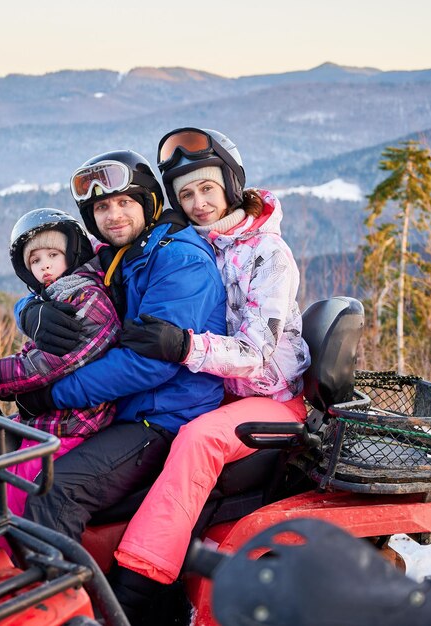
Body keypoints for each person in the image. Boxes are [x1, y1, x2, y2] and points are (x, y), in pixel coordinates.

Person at [112, 127, 311, 614]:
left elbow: (257, 352)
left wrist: (182, 346)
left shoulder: (269, 254)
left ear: (230, 183)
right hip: (222, 390)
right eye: (186, 194)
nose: (199, 203)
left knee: (198, 440)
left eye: (207, 188)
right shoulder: (199, 247)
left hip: (275, 397)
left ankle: (143, 583)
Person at [13, 150, 228, 544]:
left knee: (56, 491)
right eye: (102, 207)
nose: (114, 215)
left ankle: (55, 598)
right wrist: (29, 309)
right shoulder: (120, 255)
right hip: (121, 407)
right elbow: (54, 275)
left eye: (124, 202)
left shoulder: (179, 260)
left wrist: (52, 395)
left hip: (163, 416)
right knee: (2, 450)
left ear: (147, 203)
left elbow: (151, 365)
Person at [0, 208, 120, 516]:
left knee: (14, 502)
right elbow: (28, 358)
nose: (44, 265)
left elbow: (36, 368)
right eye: (35, 260)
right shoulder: (55, 299)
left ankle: (9, 561)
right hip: (44, 420)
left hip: (70, 428)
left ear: (72, 253)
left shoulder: (89, 301)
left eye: (52, 254)